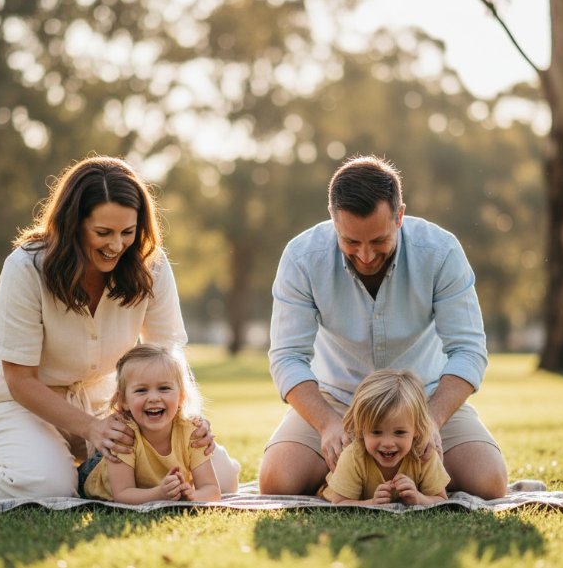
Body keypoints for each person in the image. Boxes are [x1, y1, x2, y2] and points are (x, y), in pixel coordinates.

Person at [0, 156, 239, 500]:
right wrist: (91, 428)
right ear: (73, 225)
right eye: (103, 233)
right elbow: (20, 380)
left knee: (221, 476)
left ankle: (74, 469)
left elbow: (169, 356)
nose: (117, 245)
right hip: (25, 401)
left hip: (106, 401)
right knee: (49, 487)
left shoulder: (152, 265)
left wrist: (188, 420)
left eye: (128, 232)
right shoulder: (26, 268)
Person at [259, 155, 507, 499]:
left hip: (424, 403)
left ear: (399, 216)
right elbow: (287, 357)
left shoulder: (441, 251)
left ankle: (366, 480)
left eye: (378, 241)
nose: (364, 256)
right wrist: (326, 424)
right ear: (333, 220)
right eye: (350, 243)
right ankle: (355, 478)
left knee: (489, 482)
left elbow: (468, 350)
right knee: (277, 482)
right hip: (338, 404)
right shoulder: (302, 257)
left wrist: (431, 421)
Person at [78, 344, 221, 503]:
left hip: (154, 487)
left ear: (181, 397)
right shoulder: (123, 436)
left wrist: (193, 496)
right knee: (63, 485)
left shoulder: (192, 432)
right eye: (141, 390)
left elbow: (212, 489)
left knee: (227, 476)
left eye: (164, 388)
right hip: (98, 478)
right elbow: (123, 494)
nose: (153, 398)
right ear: (124, 401)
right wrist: (159, 494)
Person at [321, 369, 449, 506]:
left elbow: (441, 500)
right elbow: (339, 503)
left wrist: (420, 499)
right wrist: (371, 503)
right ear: (361, 429)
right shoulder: (353, 456)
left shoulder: (424, 454)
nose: (388, 443)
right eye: (376, 432)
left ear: (417, 429)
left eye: (399, 432)